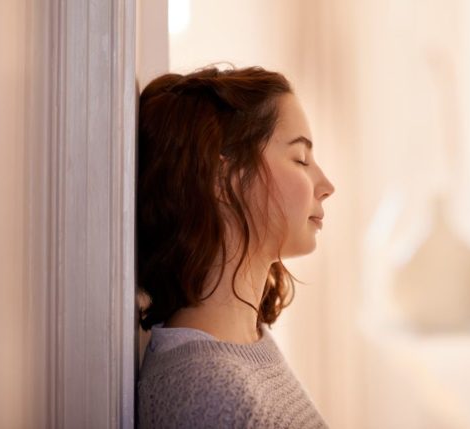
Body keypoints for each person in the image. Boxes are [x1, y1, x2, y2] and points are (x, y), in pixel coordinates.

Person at [136, 65, 335, 428]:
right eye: (300, 159)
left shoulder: (247, 345)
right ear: (222, 176)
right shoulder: (210, 393)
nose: (326, 185)